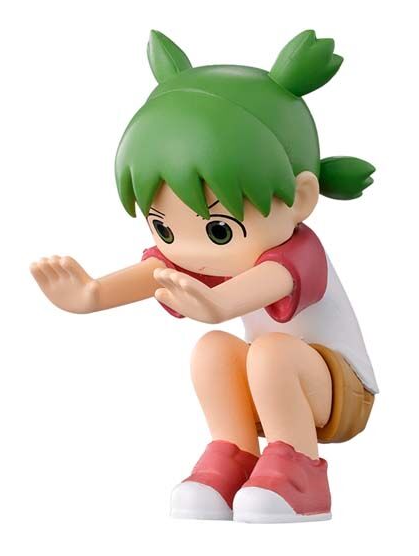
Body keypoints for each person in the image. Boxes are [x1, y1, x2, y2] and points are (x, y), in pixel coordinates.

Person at [31, 29, 378, 523]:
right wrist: (91, 294)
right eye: (164, 226)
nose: (190, 250)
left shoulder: (300, 252)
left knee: (271, 352)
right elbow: (158, 270)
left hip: (341, 391)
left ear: (300, 198)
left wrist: (214, 304)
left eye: (218, 229)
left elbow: (263, 285)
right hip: (271, 386)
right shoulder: (219, 257)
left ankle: (301, 472)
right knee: (213, 350)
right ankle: (234, 456)